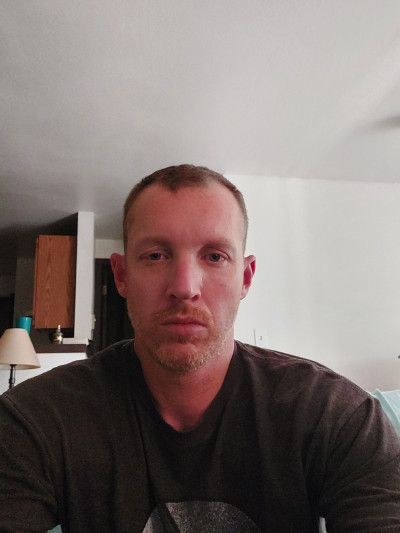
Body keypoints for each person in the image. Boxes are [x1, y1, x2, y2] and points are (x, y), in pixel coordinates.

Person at [0, 164, 399, 533]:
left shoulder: (338, 416)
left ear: (245, 278)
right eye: (156, 255)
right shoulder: (34, 421)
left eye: (214, 256)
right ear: (121, 276)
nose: (184, 287)